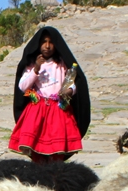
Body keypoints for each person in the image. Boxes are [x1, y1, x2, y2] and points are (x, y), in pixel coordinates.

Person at [9, 26, 91, 164]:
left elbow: (72, 82)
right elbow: (23, 86)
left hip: (58, 111)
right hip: (37, 111)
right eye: (44, 42)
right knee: (36, 147)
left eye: (51, 42)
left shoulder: (62, 65)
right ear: (38, 44)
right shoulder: (30, 66)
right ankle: (39, 173)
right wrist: (36, 69)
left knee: (57, 149)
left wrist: (69, 91)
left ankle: (56, 174)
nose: (47, 46)